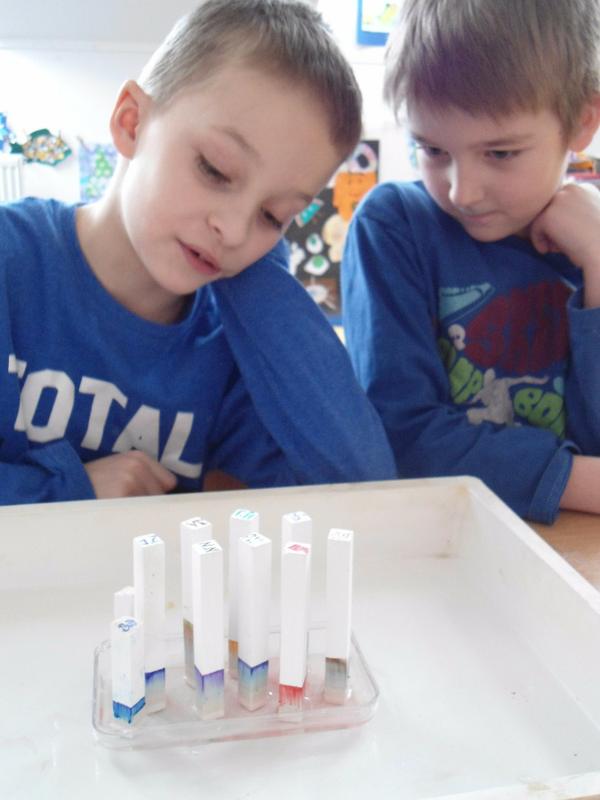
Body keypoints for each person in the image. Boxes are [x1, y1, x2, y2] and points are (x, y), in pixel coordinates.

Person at [0, 0, 396, 505]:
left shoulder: (234, 339)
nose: (233, 230)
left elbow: (363, 490)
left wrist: (260, 275)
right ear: (131, 122)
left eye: (273, 215)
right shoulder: (12, 263)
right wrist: (69, 491)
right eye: (215, 169)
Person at [341, 0, 600, 523]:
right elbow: (400, 437)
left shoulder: (589, 238)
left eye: (500, 154)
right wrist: (579, 481)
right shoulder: (394, 228)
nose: (463, 192)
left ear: (581, 121)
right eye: (432, 150)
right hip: (436, 541)